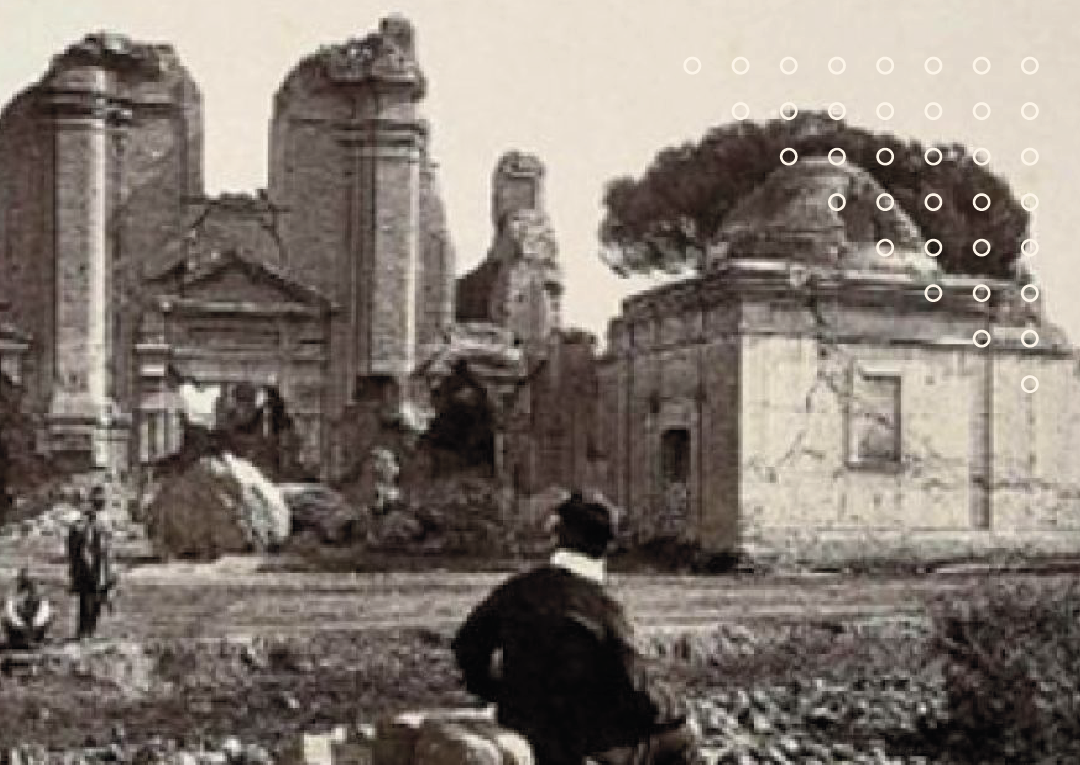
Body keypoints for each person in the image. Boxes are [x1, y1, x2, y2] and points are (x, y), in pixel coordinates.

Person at [452, 492, 701, 765]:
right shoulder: (605, 610)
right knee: (682, 735)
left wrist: (493, 691)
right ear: (609, 546)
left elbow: (467, 644)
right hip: (582, 745)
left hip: (521, 726)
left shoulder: (516, 590)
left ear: (557, 536)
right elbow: (637, 693)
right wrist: (675, 708)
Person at [66, 485, 117, 640]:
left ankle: (89, 630)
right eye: (98, 498)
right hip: (89, 566)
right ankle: (84, 631)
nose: (101, 501)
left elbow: (107, 544)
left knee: (97, 598)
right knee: (87, 598)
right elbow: (84, 546)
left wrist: (110, 568)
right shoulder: (85, 520)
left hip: (101, 564)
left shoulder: (104, 518)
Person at [1, 568, 53, 649]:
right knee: (5, 615)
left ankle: (35, 639)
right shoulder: (13, 596)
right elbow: (10, 612)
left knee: (49, 613)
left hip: (35, 629)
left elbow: (44, 613)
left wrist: (35, 625)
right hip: (17, 631)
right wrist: (21, 626)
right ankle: (19, 641)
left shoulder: (40, 598)